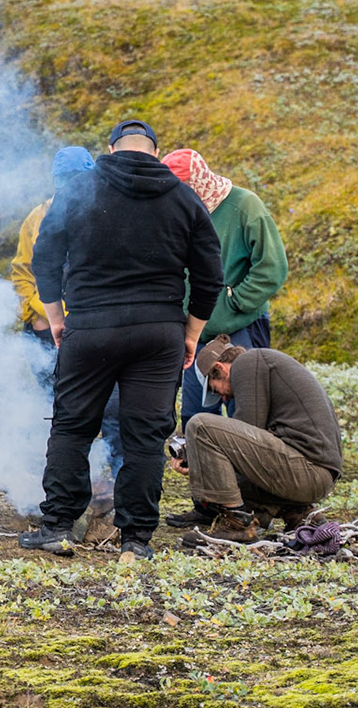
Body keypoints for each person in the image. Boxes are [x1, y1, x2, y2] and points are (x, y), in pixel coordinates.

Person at [20, 118, 224, 560]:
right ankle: (136, 539)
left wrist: (57, 317)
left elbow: (45, 256)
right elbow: (210, 273)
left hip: (90, 327)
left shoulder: (80, 188)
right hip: (158, 333)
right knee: (144, 436)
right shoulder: (181, 195)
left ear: (111, 150)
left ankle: (56, 526)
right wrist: (191, 334)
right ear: (153, 151)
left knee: (72, 426)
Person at [11, 145, 121, 537]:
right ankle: (55, 503)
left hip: (94, 332)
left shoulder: (109, 213)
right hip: (49, 332)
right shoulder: (38, 218)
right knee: (59, 416)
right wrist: (40, 314)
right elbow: (23, 271)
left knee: (107, 414)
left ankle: (107, 503)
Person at [167, 337, 342, 543]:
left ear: (220, 369)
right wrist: (200, 462)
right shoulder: (262, 366)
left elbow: (246, 437)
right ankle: (297, 513)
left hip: (308, 471)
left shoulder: (248, 362)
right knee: (226, 478)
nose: (223, 399)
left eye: (215, 390)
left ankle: (238, 524)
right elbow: (252, 448)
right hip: (314, 474)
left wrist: (196, 454)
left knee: (200, 425)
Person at [161, 149, 289, 425]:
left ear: (196, 182)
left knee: (247, 412)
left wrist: (234, 302)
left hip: (240, 328)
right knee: (196, 415)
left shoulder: (245, 206)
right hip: (193, 334)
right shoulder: (174, 212)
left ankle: (247, 468)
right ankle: (199, 466)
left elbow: (273, 267)